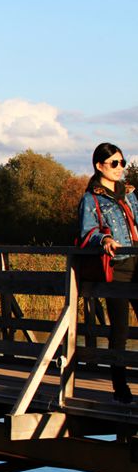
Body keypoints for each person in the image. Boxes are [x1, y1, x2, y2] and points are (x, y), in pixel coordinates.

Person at [78, 142, 137, 404]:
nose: (119, 167)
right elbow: (87, 231)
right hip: (116, 268)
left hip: (137, 263)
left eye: (122, 162)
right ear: (99, 166)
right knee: (120, 330)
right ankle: (120, 389)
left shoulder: (130, 195)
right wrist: (104, 239)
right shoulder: (91, 199)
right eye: (114, 163)